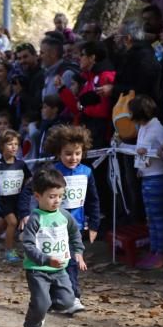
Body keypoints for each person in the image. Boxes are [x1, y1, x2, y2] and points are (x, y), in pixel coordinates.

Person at [19, 166, 87, 327]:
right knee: (41, 302)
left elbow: (75, 234)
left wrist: (78, 253)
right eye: (52, 197)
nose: (57, 201)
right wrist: (46, 259)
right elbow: (27, 245)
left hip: (60, 269)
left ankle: (41, 309)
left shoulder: (65, 216)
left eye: (60, 196)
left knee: (67, 300)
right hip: (37, 269)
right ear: (38, 197)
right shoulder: (35, 218)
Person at [42, 125, 98, 305]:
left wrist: (95, 224)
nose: (73, 158)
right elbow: (35, 195)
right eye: (68, 153)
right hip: (53, 227)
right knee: (55, 262)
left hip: (76, 226)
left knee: (73, 261)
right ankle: (52, 298)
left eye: (77, 153)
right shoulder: (52, 172)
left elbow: (93, 200)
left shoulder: (87, 173)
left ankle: (74, 297)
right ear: (59, 152)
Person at [128, 95, 163, 269]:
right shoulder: (143, 128)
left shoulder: (157, 128)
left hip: (158, 178)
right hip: (146, 177)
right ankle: (154, 250)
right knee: (151, 218)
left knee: (159, 218)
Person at [0, 130, 31, 263]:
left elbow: (28, 179)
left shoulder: (21, 164)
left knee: (3, 224)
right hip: (2, 200)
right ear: (1, 146)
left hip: (17, 200)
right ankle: (9, 252)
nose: (14, 147)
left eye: (16, 144)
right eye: (10, 144)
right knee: (13, 223)